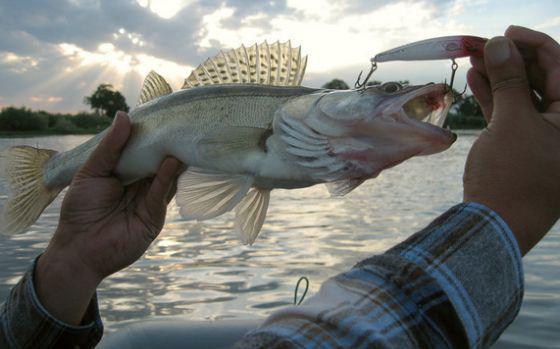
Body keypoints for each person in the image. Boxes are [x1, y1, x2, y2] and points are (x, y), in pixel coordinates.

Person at [1, 25, 559, 348]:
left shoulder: (300, 141)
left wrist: (72, 264)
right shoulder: (282, 120)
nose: (396, 96)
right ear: (313, 104)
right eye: (382, 90)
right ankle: (42, 175)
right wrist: (506, 217)